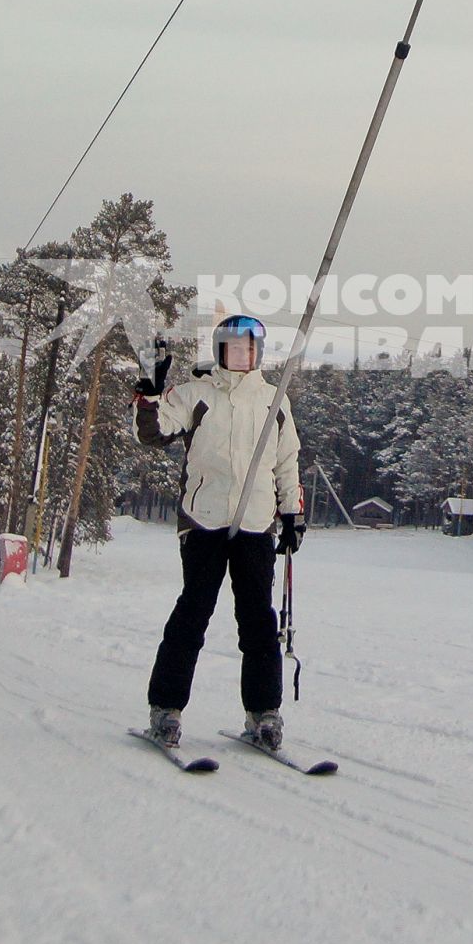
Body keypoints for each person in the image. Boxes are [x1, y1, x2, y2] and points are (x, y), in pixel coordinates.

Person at [133, 316, 305, 751]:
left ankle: (264, 714)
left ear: (258, 354)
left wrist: (291, 515)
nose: (241, 356)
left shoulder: (274, 401)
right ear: (221, 351)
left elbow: (287, 463)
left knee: (259, 623)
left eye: (249, 349)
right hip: (205, 520)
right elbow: (152, 434)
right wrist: (150, 392)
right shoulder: (196, 395)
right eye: (233, 348)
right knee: (193, 614)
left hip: (255, 522)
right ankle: (166, 710)